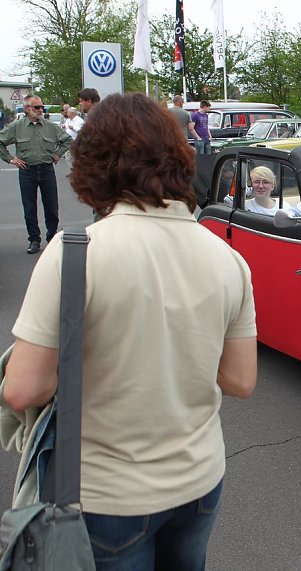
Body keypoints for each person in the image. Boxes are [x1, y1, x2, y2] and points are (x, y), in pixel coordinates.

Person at [2, 92, 257, 569]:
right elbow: (241, 381)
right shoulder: (227, 258)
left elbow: (23, 388)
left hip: (107, 495)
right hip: (200, 478)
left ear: (95, 165)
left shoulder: (74, 250)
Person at [0, 94, 71, 254]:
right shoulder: (17, 126)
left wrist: (58, 154)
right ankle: (34, 239)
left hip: (46, 170)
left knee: (52, 207)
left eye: (42, 107)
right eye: (37, 107)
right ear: (27, 109)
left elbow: (67, 140)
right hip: (27, 171)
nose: (41, 110)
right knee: (29, 208)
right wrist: (11, 159)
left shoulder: (49, 126)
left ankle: (52, 238)